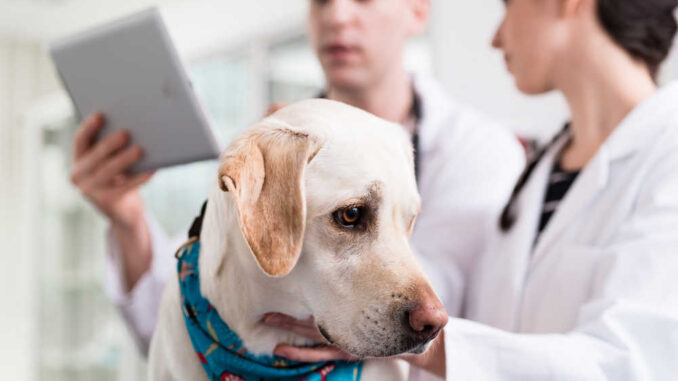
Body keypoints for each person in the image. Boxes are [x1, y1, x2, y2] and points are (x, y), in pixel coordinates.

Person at [69, 0, 525, 354]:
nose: (338, 17)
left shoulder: (480, 150)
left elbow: (431, 308)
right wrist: (127, 218)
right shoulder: (268, 153)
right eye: (321, 0)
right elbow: (181, 316)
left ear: (418, 10)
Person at [267, 0, 678, 379]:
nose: (495, 37)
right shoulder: (545, 166)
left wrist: (422, 344)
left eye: (508, 5)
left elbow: (630, 362)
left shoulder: (665, 155)